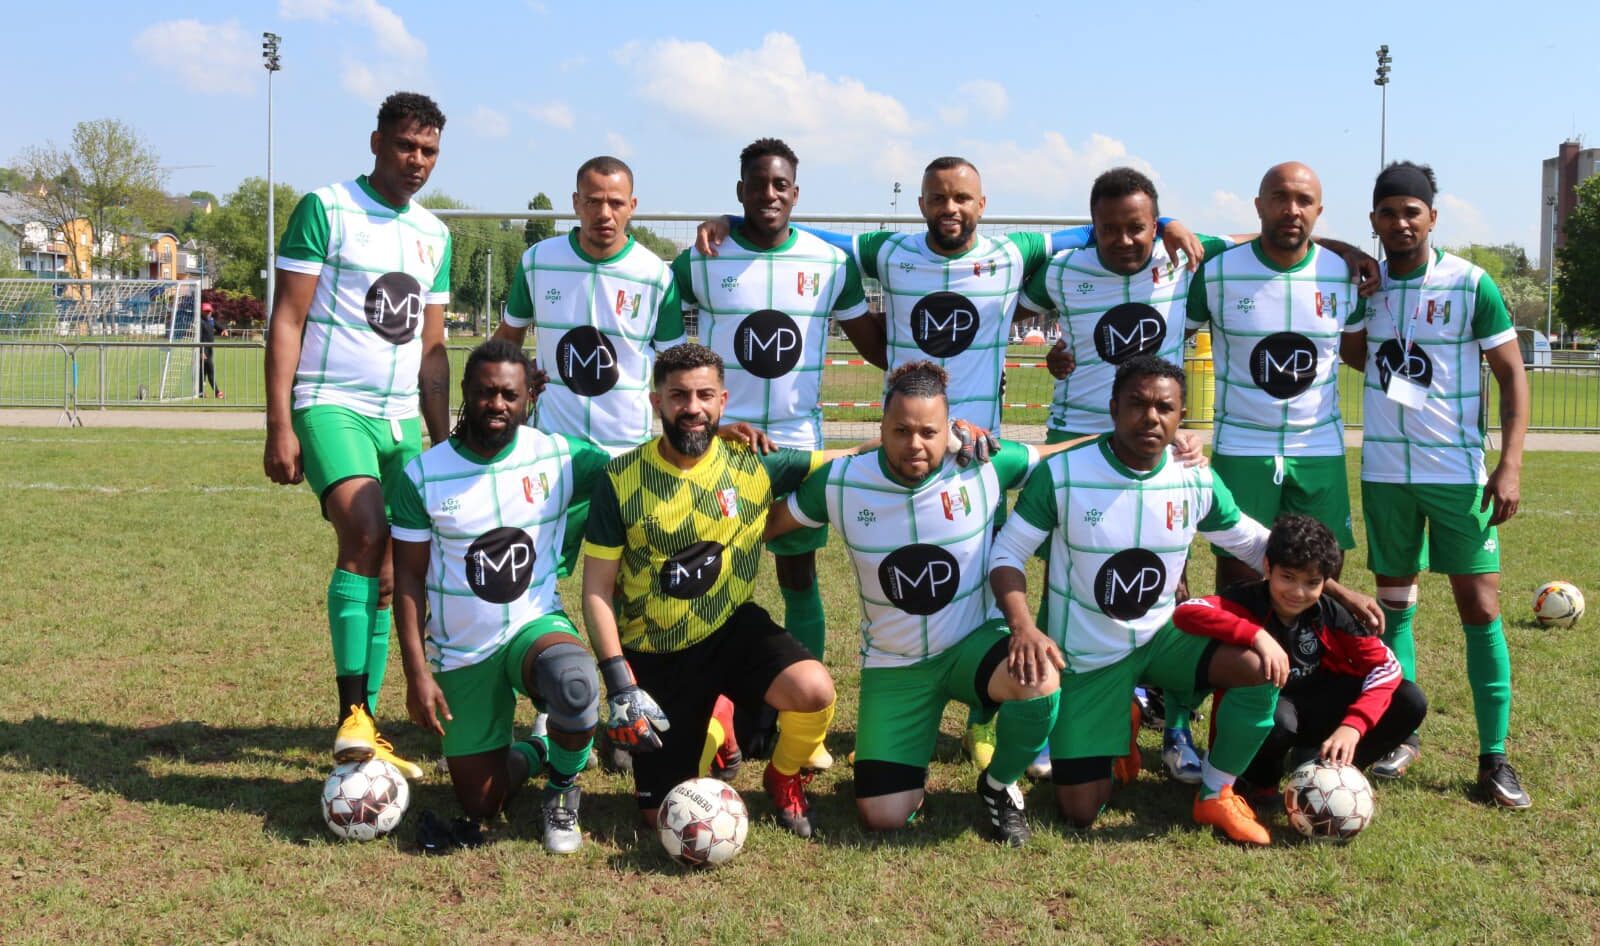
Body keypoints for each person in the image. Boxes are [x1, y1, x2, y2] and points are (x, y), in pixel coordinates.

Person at [696, 155, 1203, 766]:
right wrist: (739, 219)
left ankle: (986, 720)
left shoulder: (1015, 252)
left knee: (993, 578)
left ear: (982, 204)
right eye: (938, 197)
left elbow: (1089, 230)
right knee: (866, 580)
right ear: (921, 205)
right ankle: (815, 713)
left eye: (962, 197)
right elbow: (816, 235)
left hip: (980, 454)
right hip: (906, 447)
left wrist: (1166, 221)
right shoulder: (889, 251)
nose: (950, 208)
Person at [988, 355, 1383, 846]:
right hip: (1088, 656)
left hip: (1164, 638)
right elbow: (1007, 553)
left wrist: (1338, 589)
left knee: (1259, 665)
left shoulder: (1193, 475)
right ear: (1113, 408)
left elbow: (1255, 543)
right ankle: (1121, 725)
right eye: (1137, 404)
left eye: (1165, 408)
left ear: (1181, 417)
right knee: (1079, 811)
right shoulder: (1065, 473)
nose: (1150, 417)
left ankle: (1216, 793)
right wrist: (1024, 627)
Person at [764, 360, 1073, 845]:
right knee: (883, 815)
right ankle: (905, 758)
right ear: (880, 427)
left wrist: (1152, 442)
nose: (914, 444)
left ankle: (999, 784)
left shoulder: (985, 464)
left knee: (1040, 678)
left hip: (973, 646)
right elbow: (769, 524)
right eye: (901, 430)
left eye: (929, 432)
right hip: (896, 666)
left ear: (950, 430)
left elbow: (1063, 456)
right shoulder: (841, 482)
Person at [580, 343, 862, 838]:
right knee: (659, 814)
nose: (692, 407)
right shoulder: (620, 479)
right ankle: (716, 724)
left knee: (814, 689)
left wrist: (948, 436)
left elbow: (850, 456)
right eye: (679, 396)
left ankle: (783, 775)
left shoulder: (753, 463)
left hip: (731, 628)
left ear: (723, 401)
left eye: (704, 395)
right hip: (657, 649)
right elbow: (597, 592)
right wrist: (621, 683)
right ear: (657, 402)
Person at [263, 91, 453, 779]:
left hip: (401, 419)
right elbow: (287, 318)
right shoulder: (327, 208)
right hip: (330, 403)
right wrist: (278, 421)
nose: (417, 161)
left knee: (394, 570)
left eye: (429, 150)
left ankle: (364, 725)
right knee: (367, 532)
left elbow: (432, 350)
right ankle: (353, 712)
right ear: (377, 143)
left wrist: (443, 443)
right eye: (406, 146)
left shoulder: (435, 234)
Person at [671, 138, 869, 765]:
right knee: (706, 578)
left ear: (796, 193)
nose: (769, 194)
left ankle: (802, 723)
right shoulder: (703, 258)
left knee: (798, 575)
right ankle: (705, 712)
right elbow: (661, 340)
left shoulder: (830, 262)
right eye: (757, 184)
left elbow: (877, 343)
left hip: (797, 448)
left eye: (780, 185)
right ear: (740, 192)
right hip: (717, 450)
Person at [1339, 161, 1531, 808]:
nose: (1400, 223)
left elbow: (1511, 374)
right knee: (1394, 607)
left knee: (1481, 609)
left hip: (1457, 474)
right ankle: (1403, 733)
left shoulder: (1470, 283)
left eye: (1411, 212)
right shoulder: (1365, 288)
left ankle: (1495, 757)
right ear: (1373, 221)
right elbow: (1357, 354)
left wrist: (1509, 464)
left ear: (1432, 218)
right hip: (1386, 475)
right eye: (1388, 213)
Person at [390, 340, 611, 853]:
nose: (497, 404)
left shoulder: (561, 456)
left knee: (576, 684)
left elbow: (645, 467)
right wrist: (417, 674)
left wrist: (717, 439)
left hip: (533, 625)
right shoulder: (422, 475)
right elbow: (408, 581)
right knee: (481, 803)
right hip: (461, 651)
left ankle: (563, 790)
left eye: (510, 395)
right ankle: (540, 746)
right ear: (465, 390)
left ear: (529, 396)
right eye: (486, 392)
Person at [1185, 162, 1378, 593]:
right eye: (1280, 198)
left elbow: (1359, 354)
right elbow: (1169, 341)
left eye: (1304, 201)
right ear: (1259, 205)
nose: (1292, 209)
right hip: (1242, 446)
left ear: (1318, 211)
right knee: (1240, 581)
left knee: (1321, 572)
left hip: (1318, 447)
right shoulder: (1218, 272)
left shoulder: (1342, 274)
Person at [495, 155, 686, 575]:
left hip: (626, 451)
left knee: (629, 581)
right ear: (576, 202)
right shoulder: (538, 261)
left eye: (615, 202)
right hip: (552, 448)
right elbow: (506, 341)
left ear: (632, 206)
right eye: (594, 201)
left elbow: (674, 365)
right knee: (533, 572)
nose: (604, 213)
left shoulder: (655, 275)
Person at [1172, 514, 1427, 801]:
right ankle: (1257, 782)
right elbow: (1187, 611)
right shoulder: (1246, 600)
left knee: (1409, 700)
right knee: (1278, 719)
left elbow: (1386, 667)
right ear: (1268, 567)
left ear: (1325, 582)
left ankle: (1332, 772)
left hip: (1316, 706)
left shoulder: (1330, 612)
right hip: (1269, 713)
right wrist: (1256, 635)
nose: (1298, 592)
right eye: (1288, 577)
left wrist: (1352, 727)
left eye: (1312, 582)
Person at [198, 302, 224, 399]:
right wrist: (201, 352)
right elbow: (199, 338)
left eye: (209, 311)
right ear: (202, 311)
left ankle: (200, 393)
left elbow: (218, 327)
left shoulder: (211, 320)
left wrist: (223, 330)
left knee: (204, 373)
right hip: (203, 351)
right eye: (206, 311)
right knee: (208, 371)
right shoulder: (200, 322)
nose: (208, 313)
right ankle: (217, 392)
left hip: (209, 351)